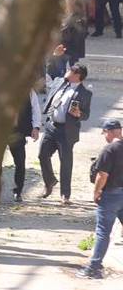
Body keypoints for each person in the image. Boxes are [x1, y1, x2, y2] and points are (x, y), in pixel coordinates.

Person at [38, 63, 93, 203]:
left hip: (67, 131)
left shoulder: (85, 93)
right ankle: (49, 181)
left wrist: (79, 113)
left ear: (77, 75)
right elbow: (48, 72)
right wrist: (54, 58)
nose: (67, 71)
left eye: (71, 71)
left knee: (66, 163)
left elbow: (86, 115)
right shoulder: (60, 83)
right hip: (51, 126)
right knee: (42, 155)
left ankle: (65, 194)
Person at [78, 120, 123, 279]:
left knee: (103, 232)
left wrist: (96, 192)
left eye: (104, 133)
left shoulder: (109, 150)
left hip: (110, 195)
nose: (104, 136)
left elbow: (102, 175)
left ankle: (94, 268)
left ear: (109, 132)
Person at [8, 87, 41, 202]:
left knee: (20, 162)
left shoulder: (28, 91)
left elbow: (35, 109)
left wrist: (36, 127)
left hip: (18, 131)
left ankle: (18, 191)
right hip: (0, 131)